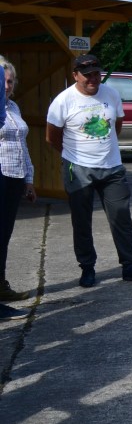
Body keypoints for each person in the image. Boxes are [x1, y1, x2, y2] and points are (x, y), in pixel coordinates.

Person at [45, 53, 132, 288]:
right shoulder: (63, 101)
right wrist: (71, 155)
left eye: (96, 74)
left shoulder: (111, 94)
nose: (93, 79)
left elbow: (116, 126)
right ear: (75, 75)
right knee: (82, 220)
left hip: (112, 167)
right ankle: (87, 267)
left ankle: (130, 265)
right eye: (87, 75)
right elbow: (52, 137)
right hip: (78, 168)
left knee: (121, 215)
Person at [0, 57, 35, 318]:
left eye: (10, 81)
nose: (7, 86)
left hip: (14, 178)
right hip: (0, 175)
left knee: (4, 236)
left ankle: (1, 286)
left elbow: (23, 146)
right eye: (3, 81)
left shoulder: (13, 107)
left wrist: (29, 179)